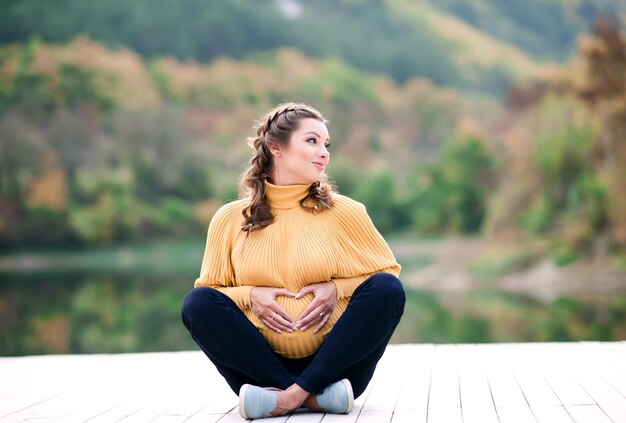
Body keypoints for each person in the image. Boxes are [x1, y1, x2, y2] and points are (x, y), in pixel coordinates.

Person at [181, 102, 405, 419]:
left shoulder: (346, 212)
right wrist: (250, 294)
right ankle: (310, 398)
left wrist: (335, 288)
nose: (324, 152)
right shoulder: (230, 219)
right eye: (312, 141)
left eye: (326, 144)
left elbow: (388, 277)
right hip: (257, 370)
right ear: (276, 147)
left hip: (338, 369)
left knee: (386, 290)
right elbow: (211, 293)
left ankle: (287, 399)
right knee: (197, 303)